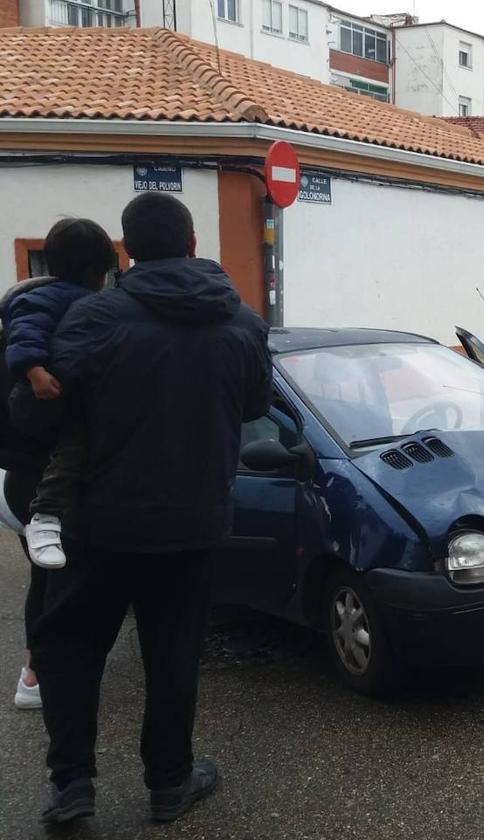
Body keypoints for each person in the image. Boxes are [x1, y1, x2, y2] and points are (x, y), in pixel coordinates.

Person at [24, 193, 272, 825]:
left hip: (97, 524)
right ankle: (169, 783)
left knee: (71, 650)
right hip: (192, 525)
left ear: (127, 252)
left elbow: (48, 409)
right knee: (172, 654)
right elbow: (251, 409)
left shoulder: (91, 319)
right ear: (193, 245)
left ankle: (72, 786)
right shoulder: (243, 324)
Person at [1, 219, 116, 711]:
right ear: (98, 271)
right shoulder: (61, 315)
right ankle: (44, 674)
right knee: (63, 582)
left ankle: (36, 672)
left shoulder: (23, 309)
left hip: (21, 474)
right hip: (52, 474)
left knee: (48, 578)